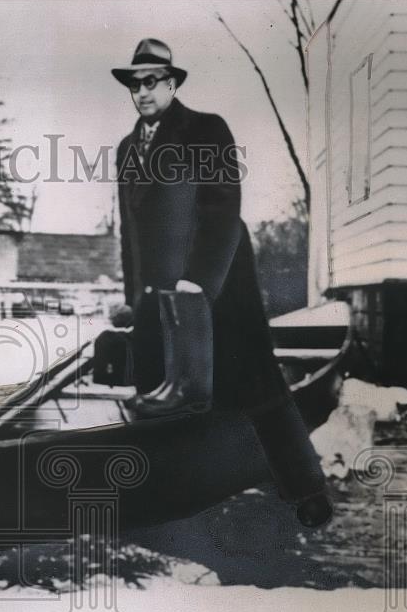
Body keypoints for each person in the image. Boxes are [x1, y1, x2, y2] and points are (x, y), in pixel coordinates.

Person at [111, 38, 332, 527]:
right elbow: (130, 234)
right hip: (160, 292)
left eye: (152, 81)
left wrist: (199, 282)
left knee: (255, 381)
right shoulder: (128, 149)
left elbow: (222, 209)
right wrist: (134, 299)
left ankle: (306, 489)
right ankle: (169, 506)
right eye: (135, 83)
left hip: (220, 278)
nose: (142, 91)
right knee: (158, 390)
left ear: (171, 83)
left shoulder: (207, 130)